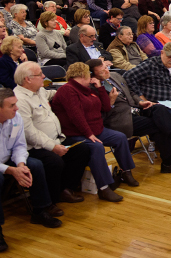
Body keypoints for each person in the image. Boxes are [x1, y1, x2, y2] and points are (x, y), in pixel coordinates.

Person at [51, 62, 136, 202]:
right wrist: (89, 134)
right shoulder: (68, 90)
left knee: (120, 137)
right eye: (88, 74)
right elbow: (76, 116)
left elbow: (106, 108)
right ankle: (104, 188)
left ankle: (126, 172)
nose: (91, 77)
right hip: (76, 133)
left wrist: (101, 88)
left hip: (96, 130)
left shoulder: (87, 88)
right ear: (82, 74)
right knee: (96, 147)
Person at [14, 62, 91, 211]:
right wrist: (53, 147)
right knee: (54, 162)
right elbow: (29, 132)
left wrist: (72, 90)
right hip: (35, 146)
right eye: (39, 74)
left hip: (57, 138)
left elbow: (54, 93)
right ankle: (51, 200)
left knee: (82, 149)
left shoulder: (39, 91)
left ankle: (65, 188)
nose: (44, 76)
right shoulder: (20, 100)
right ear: (27, 79)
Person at [0, 87, 64, 251]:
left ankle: (39, 210)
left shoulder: (16, 118)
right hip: (2, 166)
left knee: (34, 165)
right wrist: (10, 171)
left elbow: (19, 146)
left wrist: (20, 165)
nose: (17, 108)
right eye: (12, 105)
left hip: (9, 159)